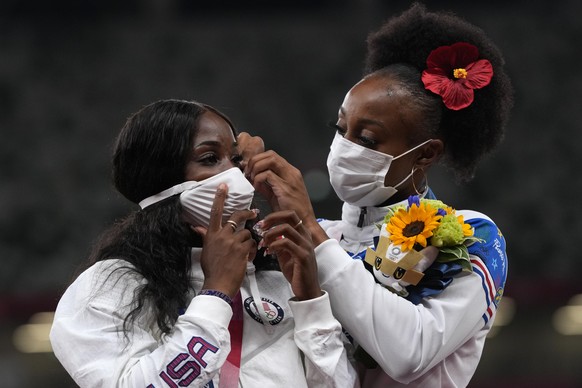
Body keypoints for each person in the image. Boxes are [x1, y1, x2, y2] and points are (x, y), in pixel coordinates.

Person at [244, 3, 513, 387]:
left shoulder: (468, 234)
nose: (344, 146)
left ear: (426, 153)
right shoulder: (322, 236)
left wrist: (310, 232)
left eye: (367, 138)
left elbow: (409, 354)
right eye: (341, 128)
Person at [49, 99, 358, 387]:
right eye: (210, 158)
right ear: (161, 178)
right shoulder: (109, 286)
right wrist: (216, 293)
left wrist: (310, 300)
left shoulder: (277, 273)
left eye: (236, 159)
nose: (235, 173)